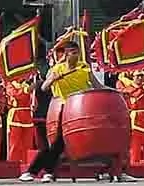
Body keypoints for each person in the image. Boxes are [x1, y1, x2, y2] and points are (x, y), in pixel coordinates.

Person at [25, 36, 97, 179]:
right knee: (59, 142)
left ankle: (42, 172)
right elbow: (44, 87)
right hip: (62, 109)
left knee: (63, 143)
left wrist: (111, 91)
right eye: (72, 53)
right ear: (66, 54)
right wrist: (53, 79)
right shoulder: (57, 69)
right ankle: (38, 171)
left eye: (77, 52)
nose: (75, 55)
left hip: (80, 110)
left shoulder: (84, 67)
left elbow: (95, 84)